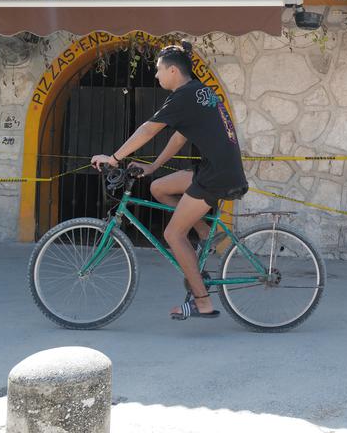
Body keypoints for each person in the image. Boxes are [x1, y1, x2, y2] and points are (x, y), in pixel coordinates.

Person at [91, 41, 248, 321]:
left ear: (173, 70)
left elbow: (148, 129)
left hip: (216, 176)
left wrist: (114, 158)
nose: (155, 76)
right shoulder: (199, 92)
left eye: (159, 70)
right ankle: (203, 235)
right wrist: (153, 167)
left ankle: (202, 303)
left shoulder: (183, 96)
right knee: (158, 187)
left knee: (173, 235)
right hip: (217, 170)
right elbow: (179, 136)